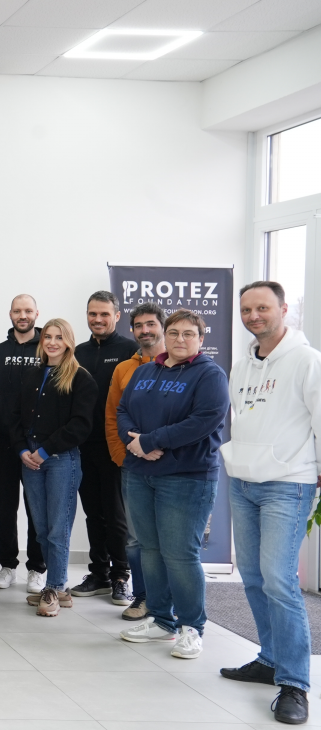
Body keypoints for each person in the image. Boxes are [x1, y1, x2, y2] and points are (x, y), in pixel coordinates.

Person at [218, 281, 321, 724]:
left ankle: (295, 684)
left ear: (283, 309)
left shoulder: (307, 361)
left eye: (262, 307)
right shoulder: (242, 365)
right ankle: (270, 658)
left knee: (279, 580)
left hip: (288, 483)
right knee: (255, 577)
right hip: (244, 482)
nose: (253, 316)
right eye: (246, 309)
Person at [116, 309, 228, 659]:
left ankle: (192, 627)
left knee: (180, 554)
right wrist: (135, 442)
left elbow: (204, 420)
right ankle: (162, 620)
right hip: (140, 472)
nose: (180, 339)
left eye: (189, 333)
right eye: (174, 332)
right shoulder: (145, 371)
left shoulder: (210, 374)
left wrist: (151, 441)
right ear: (165, 335)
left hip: (186, 477)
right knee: (150, 549)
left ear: (201, 339)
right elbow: (123, 411)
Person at [8, 319, 96, 617]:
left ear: (69, 342)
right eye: (48, 336)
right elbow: (15, 416)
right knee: (42, 529)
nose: (53, 342)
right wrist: (22, 450)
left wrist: (44, 451)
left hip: (61, 460)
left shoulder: (81, 378)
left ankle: (55, 586)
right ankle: (58, 590)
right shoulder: (32, 375)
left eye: (59, 337)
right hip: (30, 459)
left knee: (58, 529)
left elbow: (80, 425)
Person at [70, 291, 139, 604]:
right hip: (83, 447)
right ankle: (98, 573)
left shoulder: (130, 350)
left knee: (115, 515)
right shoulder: (78, 352)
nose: (97, 320)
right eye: (92, 314)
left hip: (115, 446)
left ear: (117, 316)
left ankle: (121, 576)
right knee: (92, 513)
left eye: (104, 314)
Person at [105, 302, 165, 622]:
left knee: (169, 539)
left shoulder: (180, 365)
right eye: (139, 325)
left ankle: (167, 602)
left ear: (162, 327)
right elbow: (114, 415)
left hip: (171, 468)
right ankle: (142, 597)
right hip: (133, 466)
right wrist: (123, 455)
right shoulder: (124, 370)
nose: (145, 330)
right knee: (135, 539)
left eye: (151, 324)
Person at [0, 294, 46, 595]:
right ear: (10, 314)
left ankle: (37, 568)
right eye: (17, 311)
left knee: (37, 508)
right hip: (3, 443)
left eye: (28, 310)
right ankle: (8, 565)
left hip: (37, 445)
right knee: (5, 507)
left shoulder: (48, 349)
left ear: (37, 313)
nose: (23, 315)